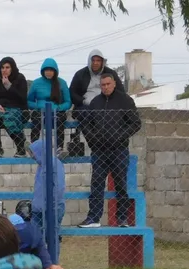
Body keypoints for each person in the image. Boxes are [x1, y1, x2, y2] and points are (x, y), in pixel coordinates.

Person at [77, 73, 141, 229]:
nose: (105, 87)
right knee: (97, 184)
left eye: (108, 84)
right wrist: (93, 140)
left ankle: (122, 219)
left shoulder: (125, 101)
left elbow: (135, 123)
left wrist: (120, 136)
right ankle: (94, 218)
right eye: (103, 85)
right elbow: (86, 124)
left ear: (113, 84)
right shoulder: (95, 102)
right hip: (99, 152)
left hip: (118, 150)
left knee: (120, 184)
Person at [68, 50, 125, 154]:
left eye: (98, 60)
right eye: (93, 60)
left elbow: (120, 91)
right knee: (85, 118)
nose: (95, 63)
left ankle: (108, 146)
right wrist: (82, 100)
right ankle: (95, 146)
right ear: (89, 61)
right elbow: (72, 92)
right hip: (86, 107)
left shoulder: (111, 74)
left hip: (106, 106)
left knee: (107, 119)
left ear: (102, 62)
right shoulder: (80, 74)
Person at [0, 57, 30, 157]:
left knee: (9, 118)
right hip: (1, 108)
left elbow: (22, 98)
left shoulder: (20, 78)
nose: (4, 70)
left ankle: (20, 147)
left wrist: (9, 86)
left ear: (12, 68)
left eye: (7, 67)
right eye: (2, 68)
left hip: (17, 108)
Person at [30, 138, 65, 251]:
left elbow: (58, 188)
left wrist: (51, 205)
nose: (32, 156)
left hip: (52, 208)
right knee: (35, 238)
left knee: (52, 238)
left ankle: (53, 263)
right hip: (39, 209)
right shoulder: (41, 165)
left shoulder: (55, 164)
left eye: (33, 153)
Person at [27, 58, 71, 149]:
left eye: (51, 70)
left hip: (56, 112)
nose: (49, 72)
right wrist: (38, 106)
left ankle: (59, 148)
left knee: (59, 121)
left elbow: (68, 101)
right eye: (46, 70)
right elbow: (28, 101)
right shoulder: (36, 83)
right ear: (43, 70)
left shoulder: (62, 83)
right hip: (40, 112)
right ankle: (34, 148)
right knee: (36, 120)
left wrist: (59, 107)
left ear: (55, 71)